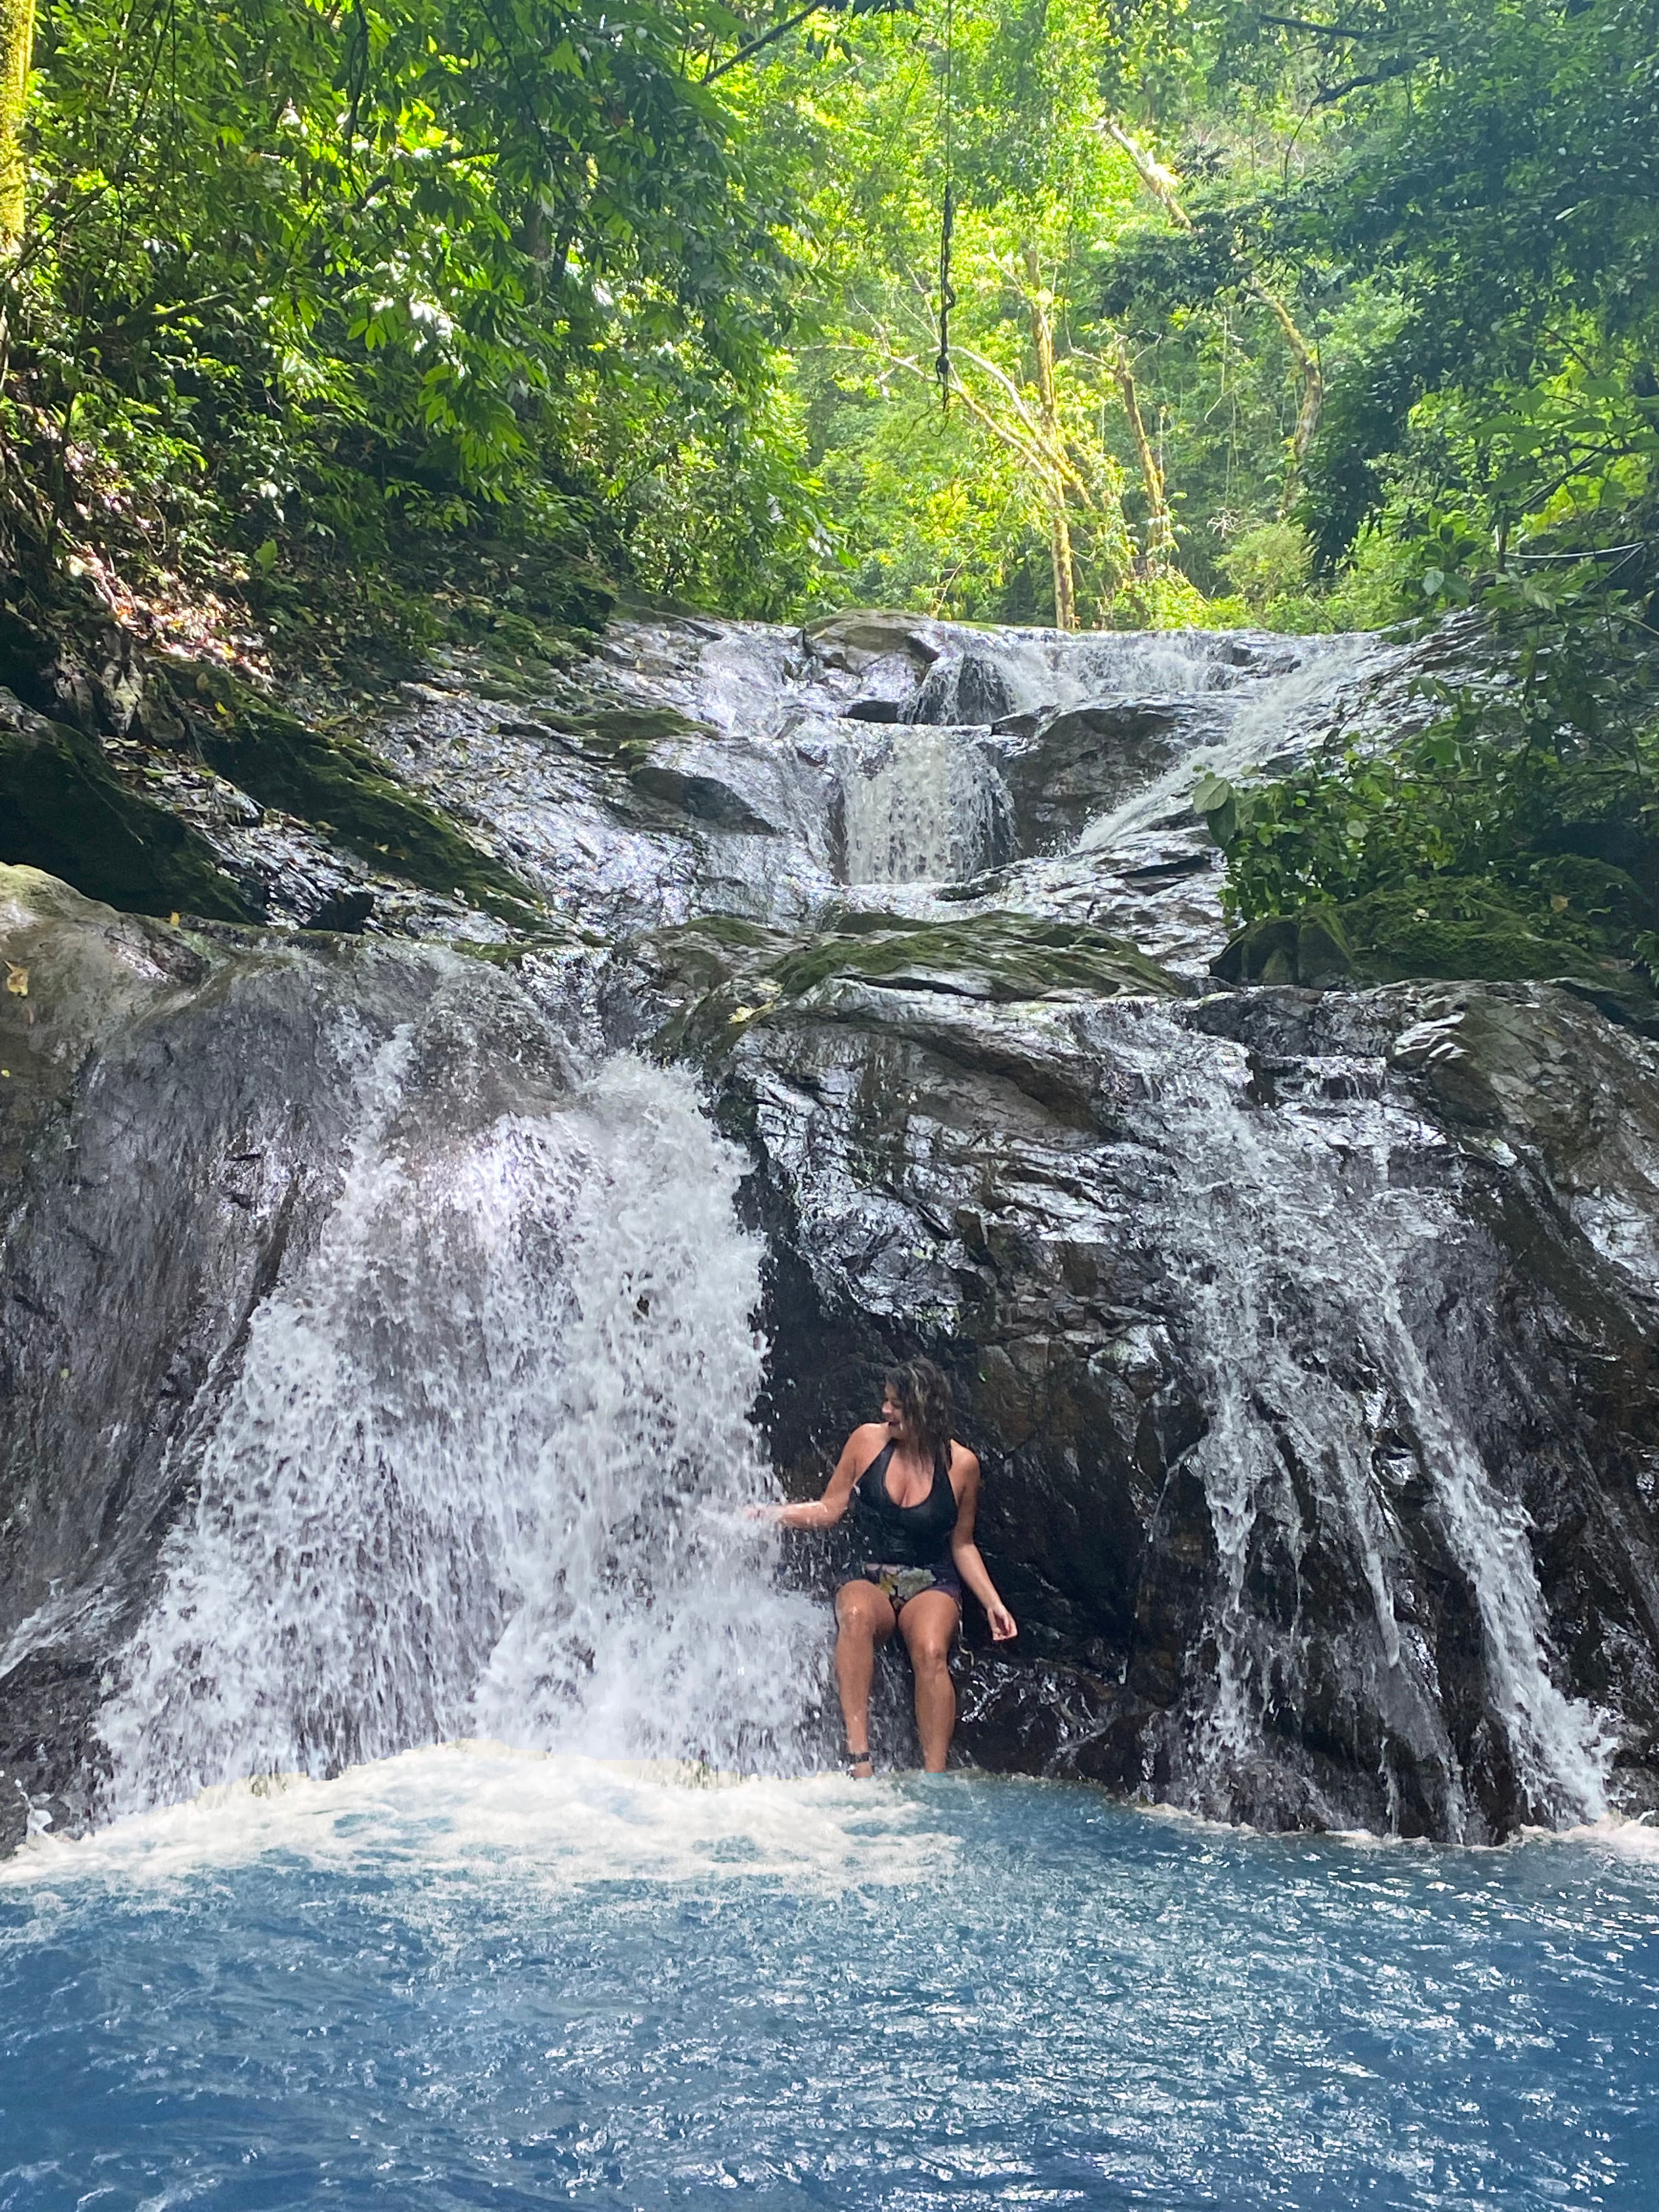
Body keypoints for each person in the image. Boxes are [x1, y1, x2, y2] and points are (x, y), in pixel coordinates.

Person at [754, 1356, 1017, 1776]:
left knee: (931, 1649)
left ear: (923, 1410)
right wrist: (770, 1514)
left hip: (931, 1580)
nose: (885, 1412)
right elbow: (830, 1508)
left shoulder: (962, 1465)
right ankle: (860, 1759)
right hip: (868, 1574)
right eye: (886, 1402)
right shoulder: (866, 1442)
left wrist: (993, 1604)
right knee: (855, 1617)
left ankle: (935, 1775)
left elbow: (963, 1544)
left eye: (895, 1405)